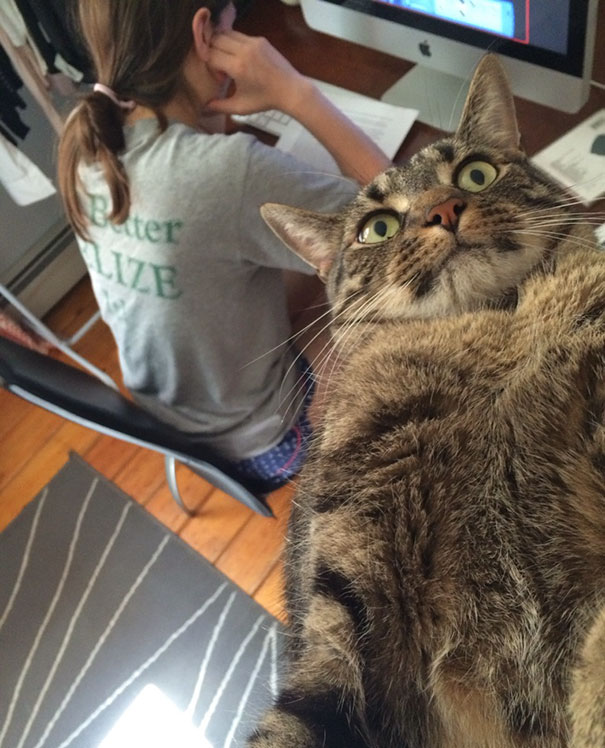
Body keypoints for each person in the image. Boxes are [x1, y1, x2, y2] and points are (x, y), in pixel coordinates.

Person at [57, 0, 390, 493]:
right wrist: (297, 95)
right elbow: (400, 226)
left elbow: (200, 212)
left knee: (280, 244)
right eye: (233, 24)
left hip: (171, 423)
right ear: (203, 33)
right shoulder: (227, 171)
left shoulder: (86, 137)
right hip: (267, 444)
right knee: (369, 278)